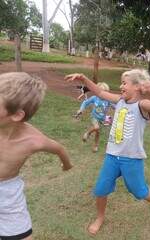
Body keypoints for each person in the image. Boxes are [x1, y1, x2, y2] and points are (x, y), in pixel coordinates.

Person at [65, 69, 150, 235]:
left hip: (132, 159)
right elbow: (99, 92)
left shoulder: (141, 106)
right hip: (112, 156)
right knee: (101, 189)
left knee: (139, 191)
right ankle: (100, 217)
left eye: (124, 83)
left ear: (137, 87)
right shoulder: (119, 100)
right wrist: (84, 79)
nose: (121, 86)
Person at [0, 72, 73, 240]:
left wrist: (66, 164)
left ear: (16, 115)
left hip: (8, 195)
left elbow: (59, 149)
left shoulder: (34, 141)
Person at [74, 82, 113, 153]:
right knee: (96, 128)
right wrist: (81, 109)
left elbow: (115, 106)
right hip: (94, 117)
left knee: (97, 132)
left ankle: (95, 146)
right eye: (100, 92)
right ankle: (88, 133)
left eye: (105, 92)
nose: (102, 94)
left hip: (102, 119)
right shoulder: (94, 98)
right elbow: (85, 103)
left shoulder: (108, 100)